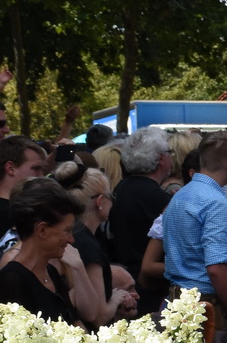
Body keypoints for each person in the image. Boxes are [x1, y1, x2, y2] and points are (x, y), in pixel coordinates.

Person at [161, 134, 227, 332]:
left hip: (178, 300)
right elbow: (216, 268)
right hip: (206, 305)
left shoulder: (180, 195)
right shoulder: (216, 203)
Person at [0, 178, 87, 325]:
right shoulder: (12, 280)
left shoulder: (51, 272)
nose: (71, 240)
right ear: (42, 230)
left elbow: (75, 328)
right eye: (67, 230)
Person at [56, 164, 134, 325]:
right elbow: (98, 315)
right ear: (100, 201)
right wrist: (116, 297)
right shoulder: (87, 245)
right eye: (111, 197)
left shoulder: (71, 236)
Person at [108, 128, 173, 293]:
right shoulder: (155, 198)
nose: (172, 157)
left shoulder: (123, 187)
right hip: (147, 287)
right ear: (161, 159)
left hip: (126, 279)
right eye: (169, 152)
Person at [0, 136, 51, 239]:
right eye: (36, 168)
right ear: (11, 168)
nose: (41, 176)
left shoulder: (23, 210)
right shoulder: (20, 215)